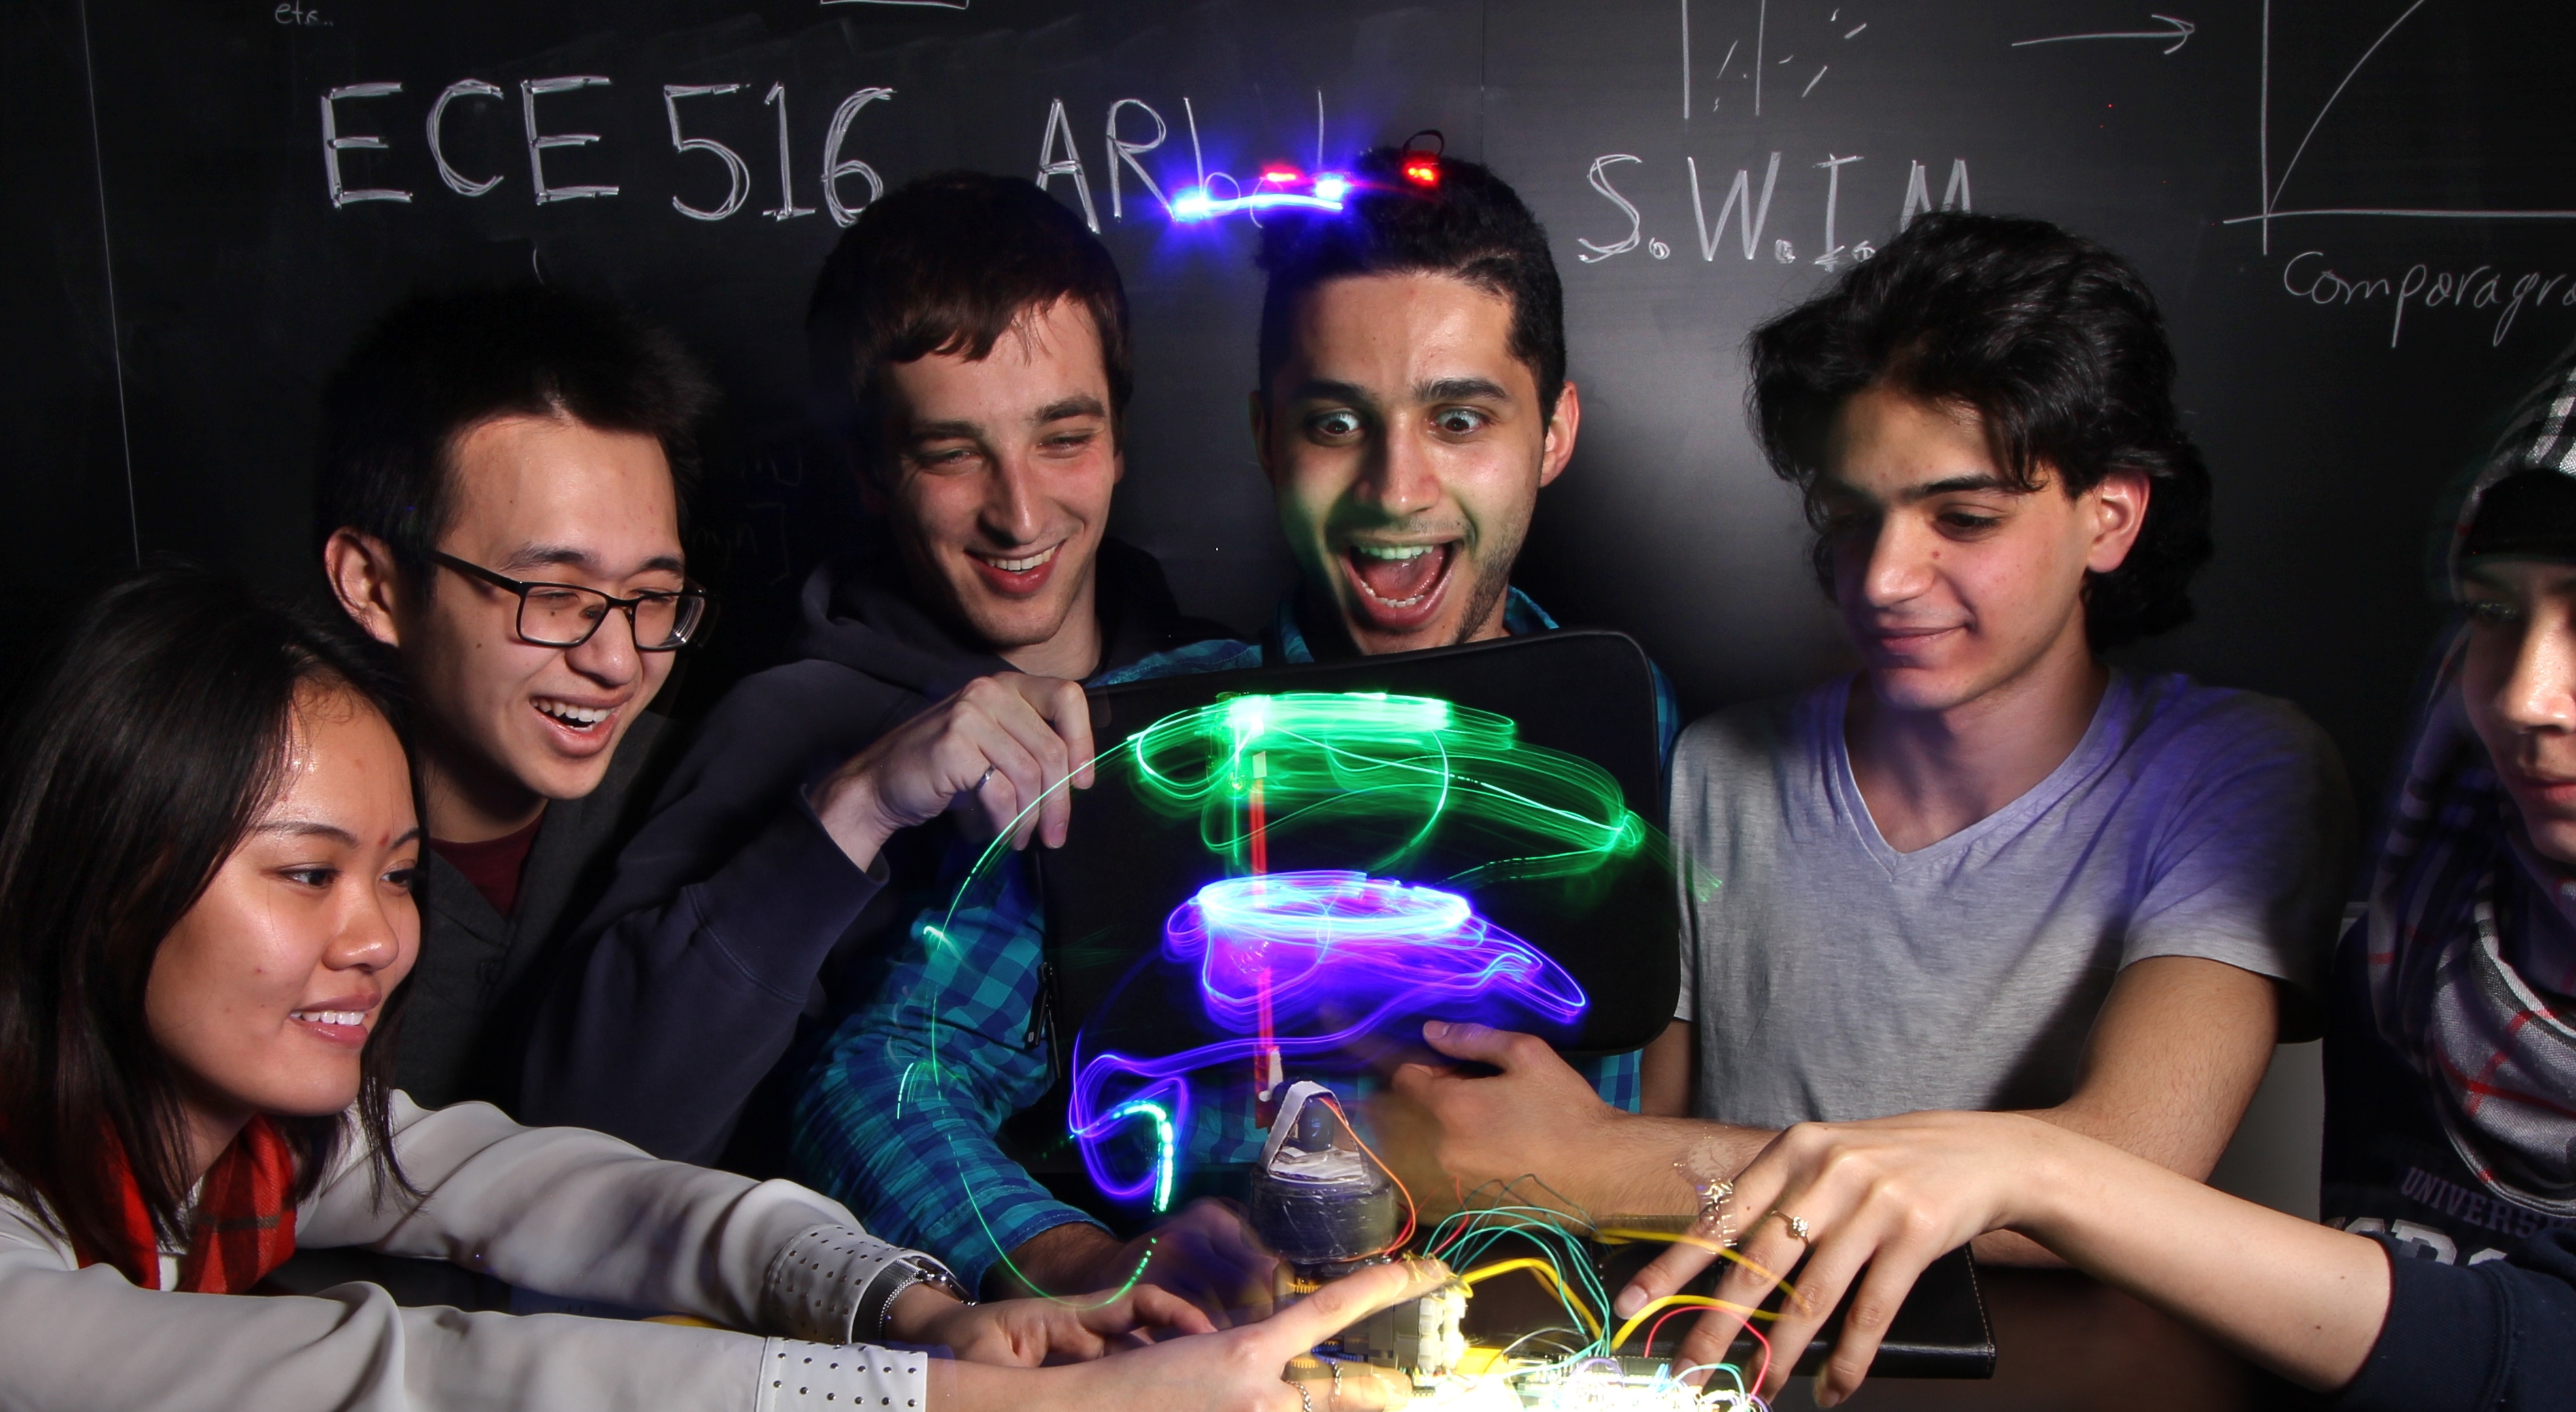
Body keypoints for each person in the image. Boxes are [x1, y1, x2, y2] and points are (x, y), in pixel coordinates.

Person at [1602, 278, 2576, 1412]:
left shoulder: (2239, 774)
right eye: (2494, 613)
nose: (2518, 697)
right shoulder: (2453, 917)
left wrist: (2038, 1167)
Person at [0, 565, 1423, 1412]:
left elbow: (563, 1187)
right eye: (306, 874)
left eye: (401, 875)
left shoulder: (257, 1143)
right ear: (103, 885)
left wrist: (909, 1309)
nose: (378, 939)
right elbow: (409, 1387)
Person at [791, 146, 1674, 1297]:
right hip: (1226, 1383)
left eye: (1459, 420)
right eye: (1335, 424)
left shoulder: (1652, 740)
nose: (1395, 489)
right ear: (1266, 437)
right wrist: (1085, 1264)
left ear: (1552, 433)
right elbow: (876, 1076)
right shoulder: (1140, 752)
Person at [1386, 213, 2350, 1264]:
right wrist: (1600, 1164)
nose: (1884, 579)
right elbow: (1638, 1195)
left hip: (2072, 1367)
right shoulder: (1716, 773)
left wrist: (1596, 1162)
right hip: (1731, 1357)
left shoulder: (2234, 772)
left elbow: (2130, 1181)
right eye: (1851, 518)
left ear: (2109, 517)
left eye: (1964, 519)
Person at [524, 172, 1239, 1167]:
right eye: (952, 454)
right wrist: (856, 805)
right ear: (870, 473)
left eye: (1063, 439)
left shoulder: (1228, 695)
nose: (1019, 514)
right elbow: (580, 1138)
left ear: (1120, 440)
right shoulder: (781, 727)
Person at [317, 285, 716, 1115]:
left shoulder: (704, 795)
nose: (616, 661)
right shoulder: (251, 857)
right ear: (375, 585)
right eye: (553, 594)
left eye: (651, 598)